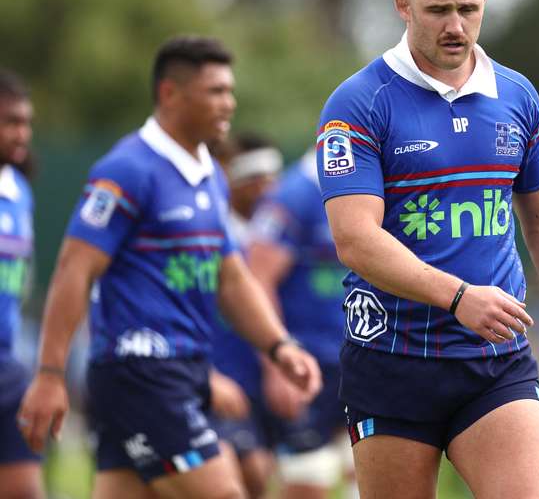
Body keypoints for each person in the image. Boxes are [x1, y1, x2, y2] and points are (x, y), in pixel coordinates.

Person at [316, 0, 539, 499]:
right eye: (437, 9)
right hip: (392, 359)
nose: (454, 25)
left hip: (494, 360)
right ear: (404, 7)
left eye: (467, 8)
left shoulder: (516, 96)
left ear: (484, 2)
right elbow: (355, 240)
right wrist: (459, 296)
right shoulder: (360, 103)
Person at [16, 36, 322, 499]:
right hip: (140, 371)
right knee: (228, 492)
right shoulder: (127, 170)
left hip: (185, 369)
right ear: (170, 94)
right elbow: (73, 271)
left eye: (229, 91)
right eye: (215, 91)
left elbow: (232, 278)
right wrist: (51, 374)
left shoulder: (212, 176)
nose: (229, 103)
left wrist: (280, 347)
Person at [246, 148, 355, 499]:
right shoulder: (295, 194)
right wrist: (276, 363)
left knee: (369, 472)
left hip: (362, 357)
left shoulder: (369, 186)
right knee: (308, 477)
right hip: (307, 362)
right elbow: (256, 279)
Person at [208, 133, 285, 499]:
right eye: (255, 179)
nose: (266, 188)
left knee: (264, 474)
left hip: (263, 375)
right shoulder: (213, 232)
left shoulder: (277, 237)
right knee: (246, 474)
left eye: (272, 178)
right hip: (222, 375)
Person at [0, 69, 42, 499]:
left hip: (9, 364)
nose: (22, 133)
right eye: (10, 121)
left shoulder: (19, 191)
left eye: (26, 122)